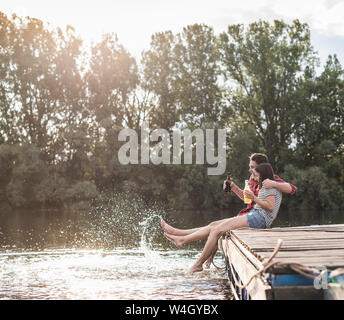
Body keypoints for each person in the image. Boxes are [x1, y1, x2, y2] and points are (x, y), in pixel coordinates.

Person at [163, 162, 283, 273]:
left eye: (256, 175)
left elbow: (271, 207)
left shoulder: (269, 187)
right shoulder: (266, 185)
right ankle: (182, 238)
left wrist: (254, 198)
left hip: (259, 218)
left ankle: (196, 261)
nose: (254, 178)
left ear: (263, 175)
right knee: (215, 225)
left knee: (216, 230)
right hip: (256, 216)